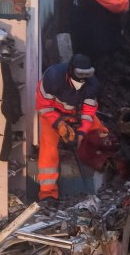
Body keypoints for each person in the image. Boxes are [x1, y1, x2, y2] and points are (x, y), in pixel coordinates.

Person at [34, 55, 108, 202]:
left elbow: (88, 113)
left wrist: (81, 133)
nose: (82, 79)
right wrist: (59, 124)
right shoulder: (52, 78)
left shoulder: (92, 85)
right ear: (71, 70)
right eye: (80, 74)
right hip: (52, 113)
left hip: (75, 112)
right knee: (48, 147)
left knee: (101, 132)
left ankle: (108, 169)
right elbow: (43, 107)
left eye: (87, 75)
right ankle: (48, 193)